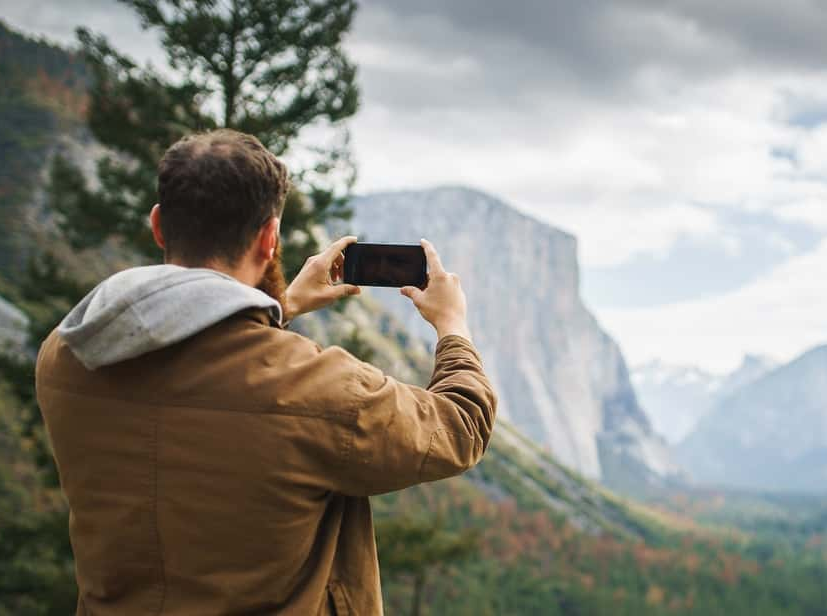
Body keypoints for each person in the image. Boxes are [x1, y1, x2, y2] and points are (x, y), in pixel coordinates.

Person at [35, 129, 497, 615]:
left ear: (158, 226)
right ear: (269, 239)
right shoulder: (322, 391)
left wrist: (285, 304)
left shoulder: (66, 358)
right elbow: (460, 427)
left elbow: (203, 384)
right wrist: (452, 324)